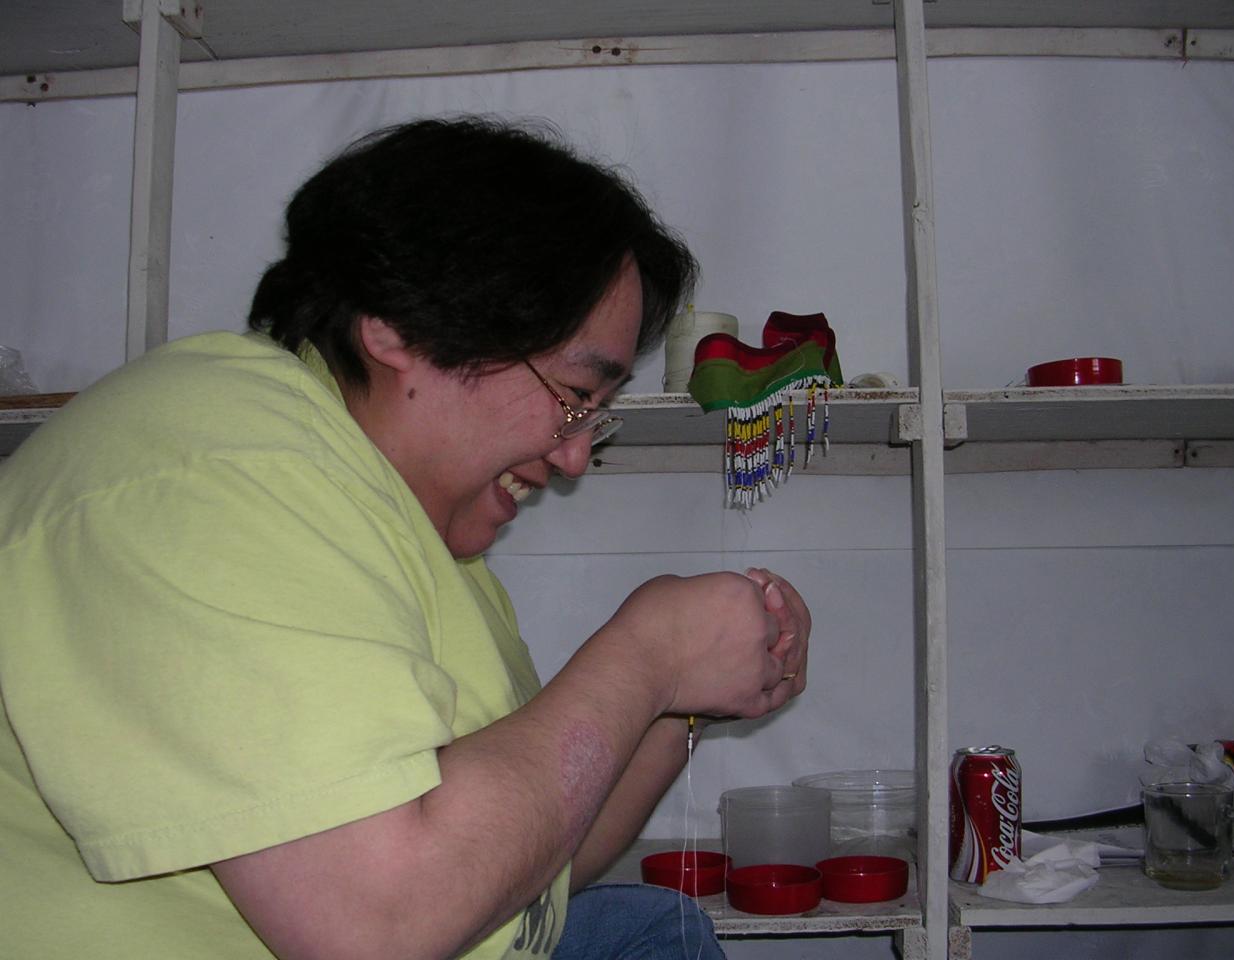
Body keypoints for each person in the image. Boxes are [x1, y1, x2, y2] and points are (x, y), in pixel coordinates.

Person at [0, 115, 810, 959]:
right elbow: (376, 928)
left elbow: (529, 859)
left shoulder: (403, 516)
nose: (575, 457)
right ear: (399, 327)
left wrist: (680, 701)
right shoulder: (217, 471)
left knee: (652, 927)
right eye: (574, 396)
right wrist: (649, 654)